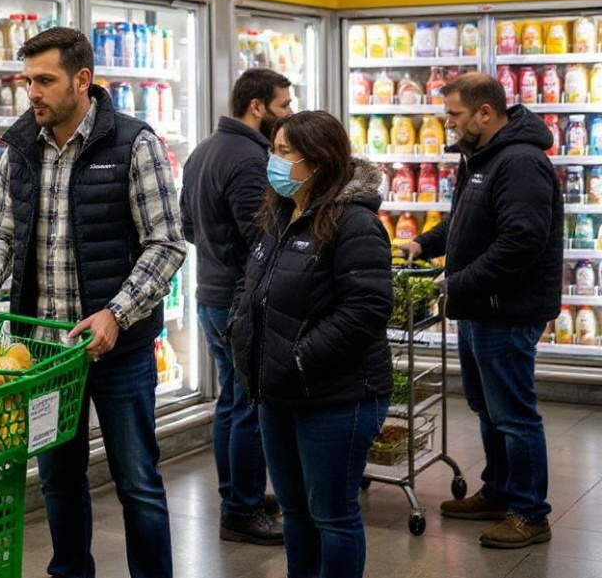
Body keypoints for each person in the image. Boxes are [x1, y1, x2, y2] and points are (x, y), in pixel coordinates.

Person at [0, 26, 186, 578]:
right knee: (58, 480)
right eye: (27, 80)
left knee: (139, 484)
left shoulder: (134, 144)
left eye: (45, 80)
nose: (32, 92)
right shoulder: (21, 149)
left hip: (118, 349)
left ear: (82, 81)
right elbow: (2, 233)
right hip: (43, 354)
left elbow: (167, 243)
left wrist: (117, 311)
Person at [228, 110, 392, 578]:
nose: (272, 161)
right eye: (273, 150)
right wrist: (241, 328)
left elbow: (366, 310)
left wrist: (297, 358)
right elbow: (250, 282)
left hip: (336, 397)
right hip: (277, 393)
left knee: (333, 516)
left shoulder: (354, 224)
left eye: (284, 153)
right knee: (295, 512)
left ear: (316, 163)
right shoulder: (280, 213)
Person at [400, 73, 560, 549]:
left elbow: (521, 241)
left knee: (513, 415)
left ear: (484, 113)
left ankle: (531, 514)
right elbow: (466, 220)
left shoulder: (520, 162)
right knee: (487, 408)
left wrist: (458, 282)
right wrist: (423, 244)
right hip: (478, 307)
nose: (448, 123)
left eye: (454, 114)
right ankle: (499, 492)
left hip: (505, 310)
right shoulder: (481, 158)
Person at [180, 67, 292, 545]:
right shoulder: (250, 159)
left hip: (210, 293)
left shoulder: (203, 150)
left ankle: (236, 494)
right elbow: (260, 239)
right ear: (257, 107)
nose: (289, 114)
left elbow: (187, 227)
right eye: (283, 106)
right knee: (249, 405)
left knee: (231, 401)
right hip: (240, 301)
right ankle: (242, 509)